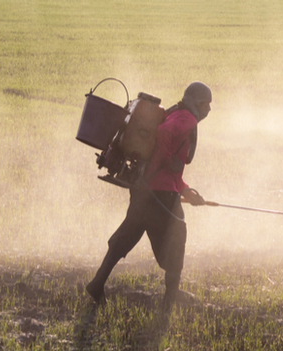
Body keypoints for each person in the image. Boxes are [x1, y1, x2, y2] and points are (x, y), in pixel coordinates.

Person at [86, 81, 212, 308]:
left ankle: (97, 283)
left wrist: (187, 192)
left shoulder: (176, 114)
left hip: (145, 188)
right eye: (205, 104)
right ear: (195, 103)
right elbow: (163, 137)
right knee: (177, 237)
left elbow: (172, 172)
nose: (208, 110)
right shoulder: (187, 119)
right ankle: (170, 300)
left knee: (128, 234)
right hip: (160, 194)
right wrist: (167, 163)